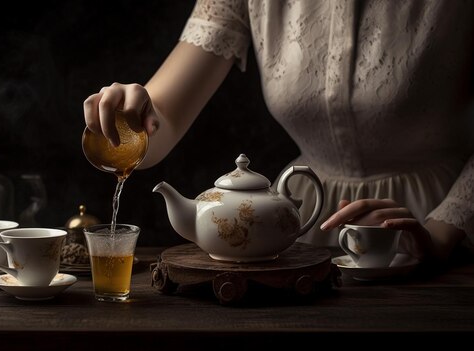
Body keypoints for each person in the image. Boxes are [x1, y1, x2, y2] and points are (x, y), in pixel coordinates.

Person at [83, 0, 473, 263]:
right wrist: (131, 113)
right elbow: (162, 118)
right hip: (304, 228)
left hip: (444, 224)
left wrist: (442, 234)